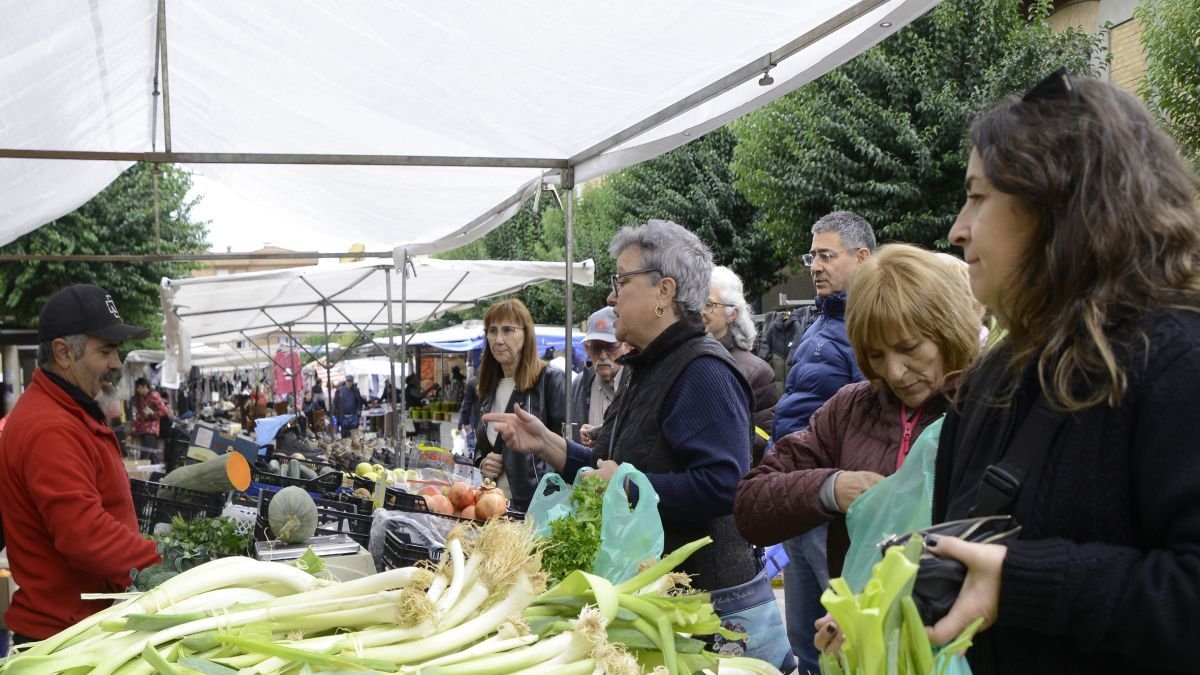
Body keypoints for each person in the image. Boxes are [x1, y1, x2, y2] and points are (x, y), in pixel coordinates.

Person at [819, 71, 1200, 674]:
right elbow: (970, 552)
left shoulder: (1178, 362)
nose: (957, 229)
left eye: (978, 195)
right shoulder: (997, 376)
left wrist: (1026, 581)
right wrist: (883, 608)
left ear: (1055, 203)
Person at [484, 220, 759, 595]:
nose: (612, 297)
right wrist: (548, 445)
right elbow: (607, 468)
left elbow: (725, 487)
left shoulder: (704, 372)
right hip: (644, 586)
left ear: (664, 291)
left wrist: (629, 486)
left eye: (622, 281)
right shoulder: (644, 367)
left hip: (699, 601)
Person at [735, 244, 981, 576]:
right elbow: (751, 506)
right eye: (876, 355)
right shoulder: (849, 408)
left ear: (948, 331)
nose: (894, 372)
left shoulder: (988, 409)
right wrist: (831, 488)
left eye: (908, 348)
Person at [0, 284, 161, 642]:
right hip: (66, 635)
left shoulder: (67, 410)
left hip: (82, 624)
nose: (116, 363)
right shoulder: (49, 427)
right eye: (105, 351)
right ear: (63, 353)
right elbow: (86, 536)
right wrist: (168, 563)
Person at [771, 210, 875, 673]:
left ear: (862, 257)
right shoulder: (817, 322)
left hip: (834, 506)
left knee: (840, 642)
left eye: (826, 255)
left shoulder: (868, 327)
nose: (814, 265)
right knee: (805, 640)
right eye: (812, 255)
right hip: (799, 497)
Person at [471, 298, 566, 513]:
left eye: (508, 330)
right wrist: (482, 462)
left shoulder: (549, 379)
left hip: (536, 509)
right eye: (492, 331)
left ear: (526, 334)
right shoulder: (488, 388)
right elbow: (482, 445)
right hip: (494, 508)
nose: (498, 339)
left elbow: (566, 447)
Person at [704, 266, 777, 464]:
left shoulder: (756, 371)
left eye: (709, 304)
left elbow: (765, 440)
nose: (700, 310)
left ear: (732, 314)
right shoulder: (681, 357)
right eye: (696, 302)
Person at [570, 306, 627, 444]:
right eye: (595, 347)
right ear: (587, 349)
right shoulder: (579, 384)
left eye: (610, 347)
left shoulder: (637, 383)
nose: (602, 355)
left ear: (625, 346)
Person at [131, 376, 169, 454]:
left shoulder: (154, 395)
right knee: (148, 455)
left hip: (151, 430)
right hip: (143, 431)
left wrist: (151, 415)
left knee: (149, 455)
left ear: (145, 386)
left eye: (139, 388)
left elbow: (164, 411)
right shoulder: (142, 398)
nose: (138, 390)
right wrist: (135, 428)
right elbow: (141, 415)